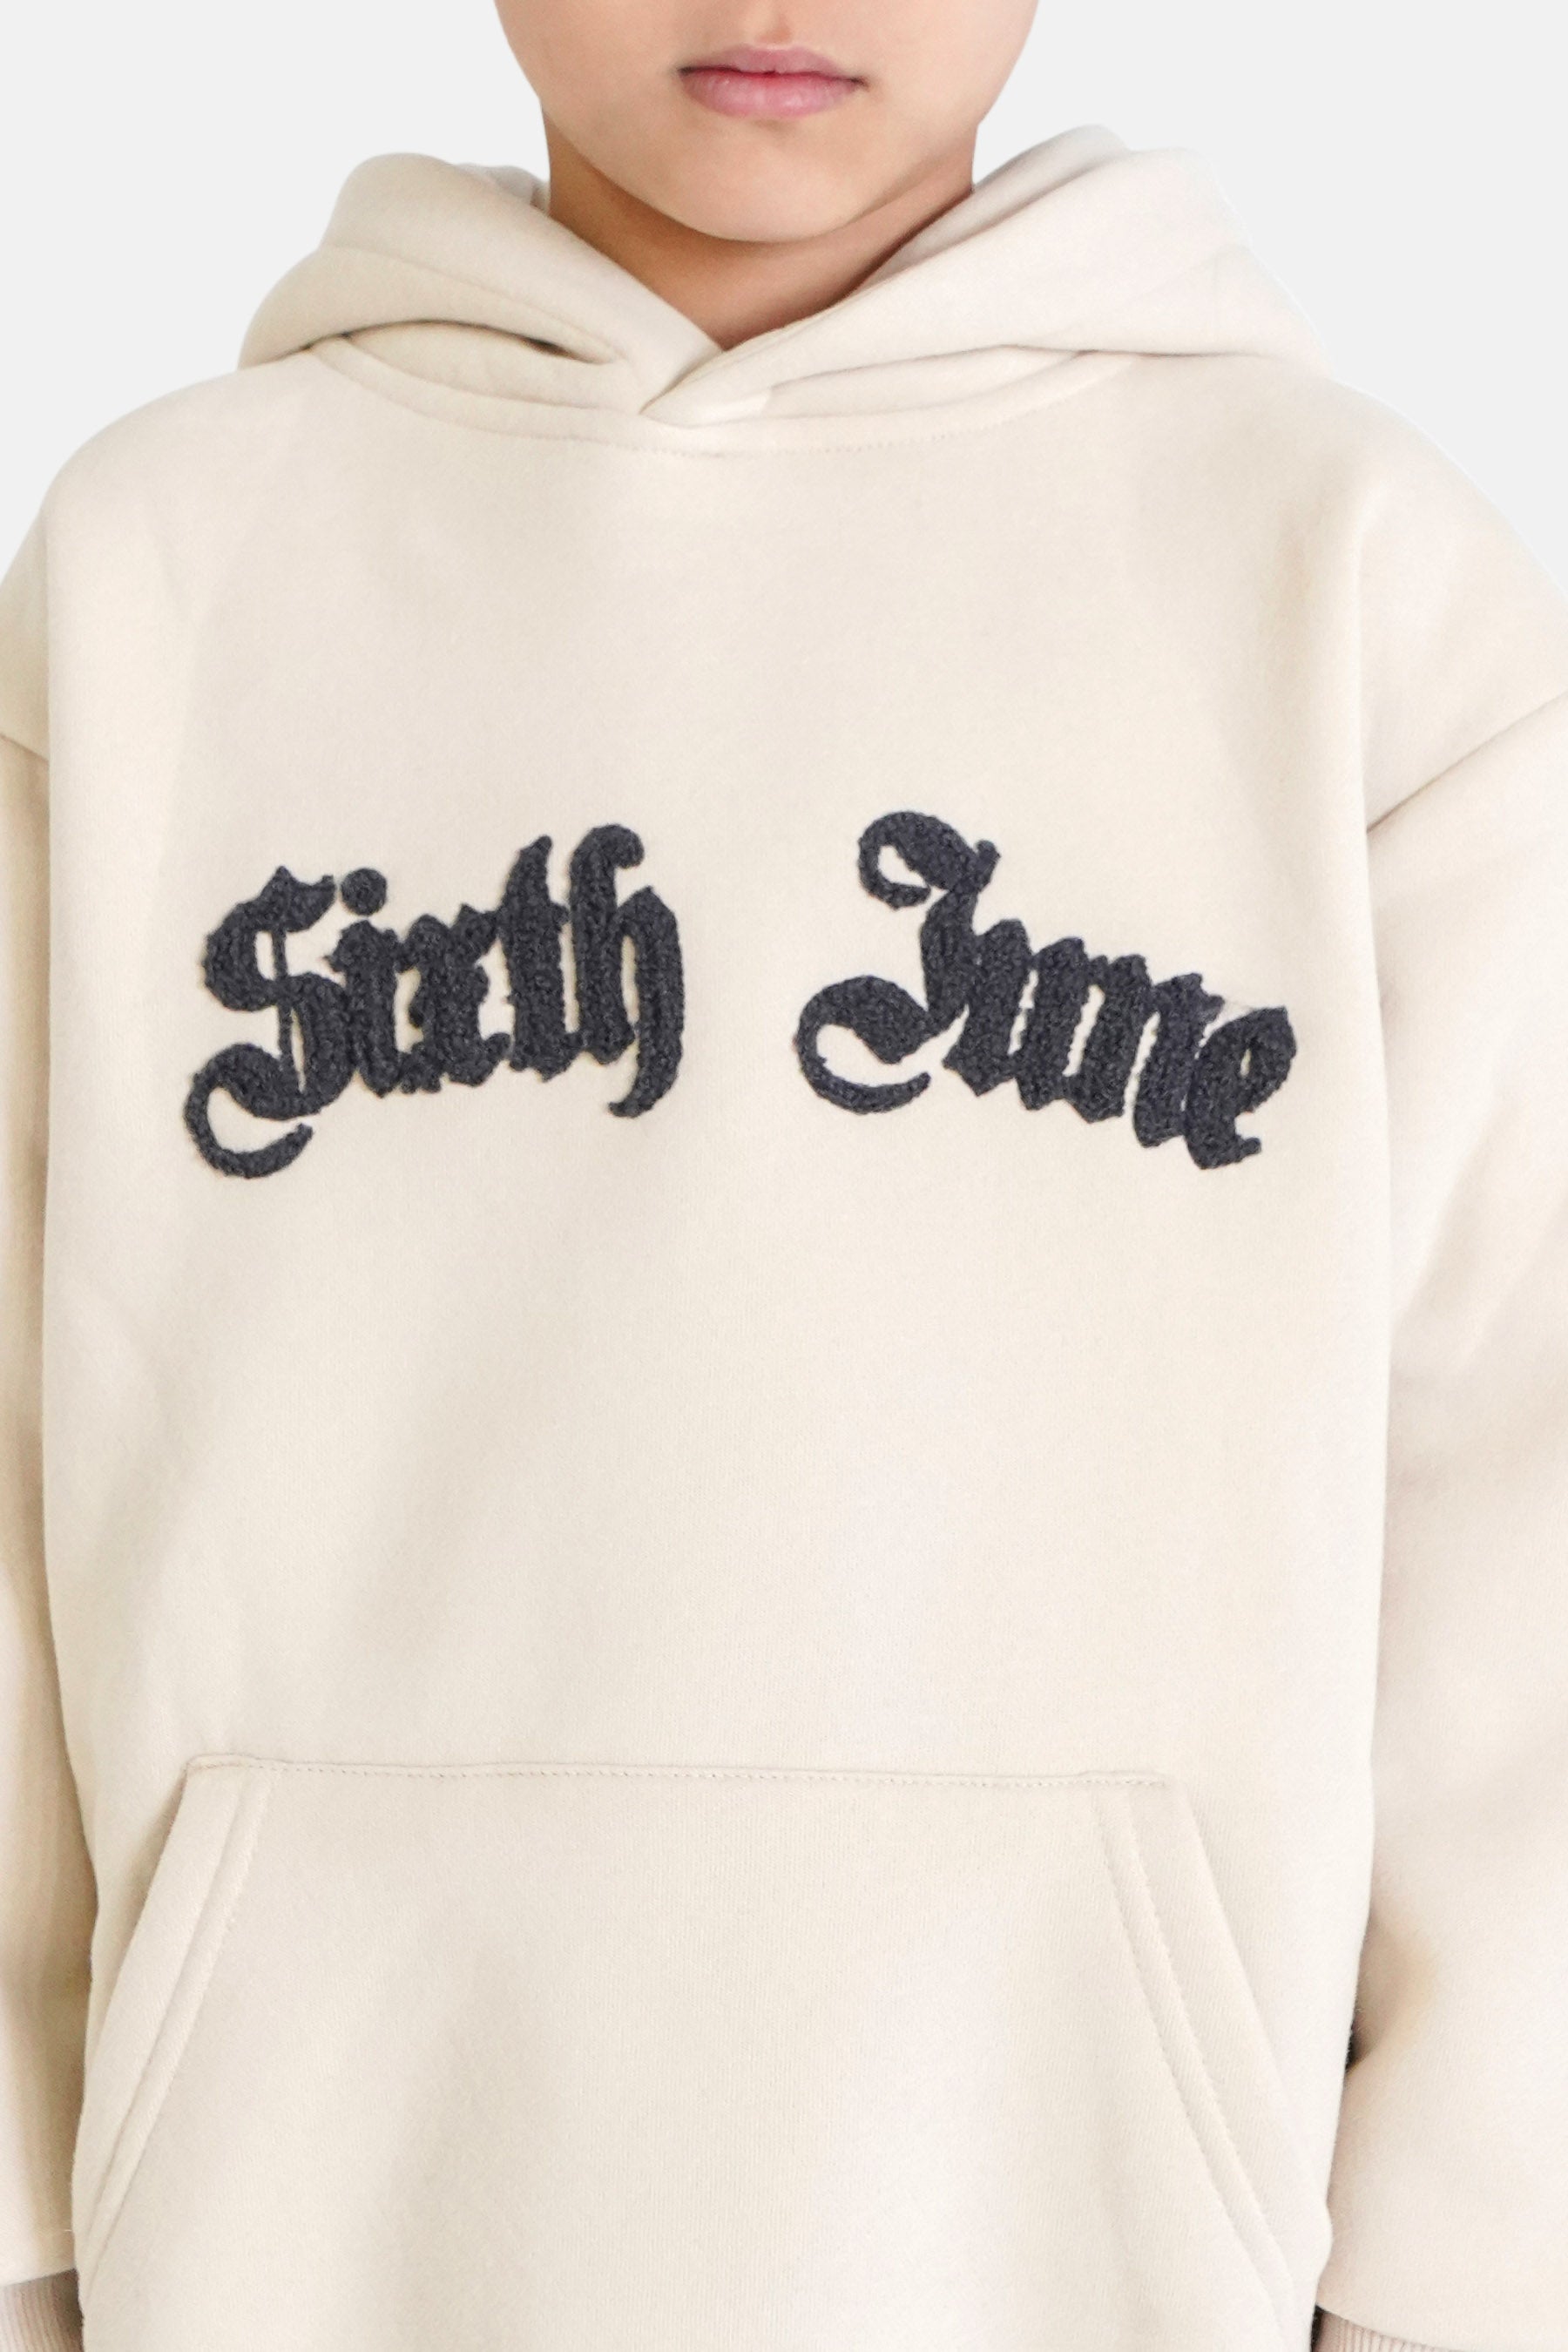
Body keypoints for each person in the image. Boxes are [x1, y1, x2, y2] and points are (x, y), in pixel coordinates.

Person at [1, 4, 1565, 2349]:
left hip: (1101, 2260)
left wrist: (1476, 2274)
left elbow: (1519, 1506)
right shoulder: (158, 575)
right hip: (283, 2256)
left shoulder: (1354, 586)